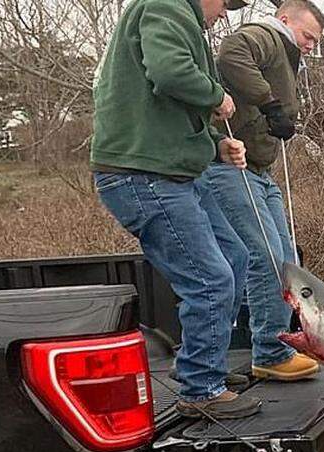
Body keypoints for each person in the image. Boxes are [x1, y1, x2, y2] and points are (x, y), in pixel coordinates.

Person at [91, 0, 262, 419]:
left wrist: (216, 147)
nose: (225, 14)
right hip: (143, 176)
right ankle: (201, 388)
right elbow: (169, 74)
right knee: (210, 278)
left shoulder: (178, 18)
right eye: (226, 4)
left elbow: (168, 113)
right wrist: (216, 95)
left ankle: (209, 368)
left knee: (236, 258)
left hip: (173, 172)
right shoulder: (167, 5)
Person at [200, 0, 324, 381]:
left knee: (287, 259)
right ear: (285, 20)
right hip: (230, 167)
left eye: (315, 41)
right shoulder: (266, 36)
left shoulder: (285, 50)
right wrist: (270, 104)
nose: (310, 45)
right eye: (307, 36)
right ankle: (270, 353)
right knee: (267, 257)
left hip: (260, 171)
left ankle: (279, 346)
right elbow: (232, 55)